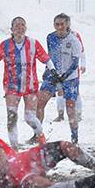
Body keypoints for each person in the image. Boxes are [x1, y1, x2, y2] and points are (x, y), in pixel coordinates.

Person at [0, 16, 54, 149]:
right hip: (12, 87)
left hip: (30, 86)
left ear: (26, 28)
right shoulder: (5, 45)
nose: (20, 28)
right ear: (11, 29)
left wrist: (53, 71)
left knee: (29, 117)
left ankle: (41, 138)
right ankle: (14, 148)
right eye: (17, 25)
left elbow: (46, 59)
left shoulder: (33, 43)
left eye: (22, 25)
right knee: (11, 117)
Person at [36, 13, 83, 143]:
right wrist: (48, 71)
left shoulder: (74, 40)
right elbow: (49, 56)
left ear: (67, 25)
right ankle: (38, 135)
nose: (60, 27)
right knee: (39, 103)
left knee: (70, 108)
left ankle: (74, 137)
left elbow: (75, 63)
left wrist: (65, 76)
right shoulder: (50, 37)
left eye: (62, 24)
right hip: (53, 75)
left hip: (70, 78)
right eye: (57, 24)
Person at [54, 29, 86, 122]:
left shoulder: (75, 35)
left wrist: (83, 64)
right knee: (60, 91)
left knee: (75, 92)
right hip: (60, 69)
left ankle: (78, 114)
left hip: (72, 69)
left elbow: (82, 51)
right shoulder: (56, 35)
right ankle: (60, 114)